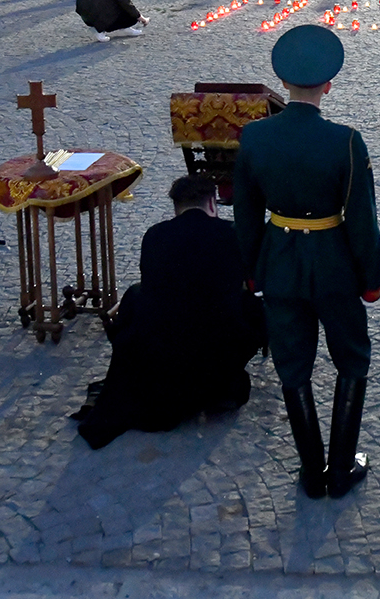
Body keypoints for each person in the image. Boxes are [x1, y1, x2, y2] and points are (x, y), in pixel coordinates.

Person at [233, 25, 380, 499]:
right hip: (334, 260)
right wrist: (370, 277)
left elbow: (245, 214)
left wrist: (252, 269)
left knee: (292, 364)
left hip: (279, 260)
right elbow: (362, 218)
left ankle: (310, 467)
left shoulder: (254, 138)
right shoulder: (346, 140)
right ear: (328, 85)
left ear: (283, 84)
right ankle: (340, 466)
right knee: (352, 359)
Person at [75, 175, 266, 449]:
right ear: (212, 202)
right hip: (216, 342)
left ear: (176, 207)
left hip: (166, 344)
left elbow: (153, 285)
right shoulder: (232, 233)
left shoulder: (155, 235)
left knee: (136, 296)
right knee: (249, 305)